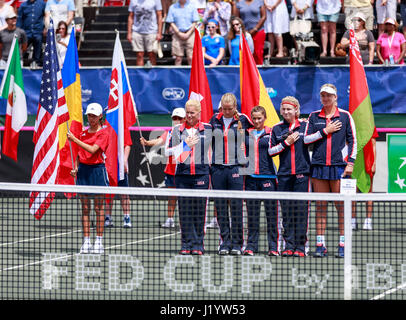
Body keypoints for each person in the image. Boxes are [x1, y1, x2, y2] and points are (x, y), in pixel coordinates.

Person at [304, 83, 357, 258]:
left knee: (341, 207)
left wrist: (350, 163)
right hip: (318, 167)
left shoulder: (345, 116)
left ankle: (343, 244)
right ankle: (320, 244)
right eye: (323, 95)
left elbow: (353, 140)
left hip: (339, 168)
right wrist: (325, 131)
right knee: (320, 206)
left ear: (335, 97)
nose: (326, 98)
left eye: (329, 95)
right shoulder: (313, 117)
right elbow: (306, 140)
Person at [166, 99, 212, 255]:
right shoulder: (177, 129)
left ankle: (198, 244)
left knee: (199, 211)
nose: (190, 115)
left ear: (199, 113)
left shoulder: (208, 129)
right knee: (184, 211)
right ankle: (186, 244)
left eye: (193, 113)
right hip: (182, 176)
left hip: (201, 175)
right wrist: (185, 145)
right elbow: (169, 152)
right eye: (188, 112)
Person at [209, 92, 253, 255]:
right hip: (218, 169)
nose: (226, 112)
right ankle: (224, 242)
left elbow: (257, 136)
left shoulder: (243, 120)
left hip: (236, 168)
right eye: (224, 109)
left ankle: (237, 243)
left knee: (236, 207)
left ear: (235, 107)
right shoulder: (214, 120)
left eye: (229, 109)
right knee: (220, 207)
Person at [269, 96, 311, 257]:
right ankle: (288, 244)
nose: (286, 112)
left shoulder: (306, 126)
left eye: (289, 109)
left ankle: (301, 246)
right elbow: (271, 151)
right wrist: (286, 142)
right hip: (284, 174)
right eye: (284, 109)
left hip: (302, 174)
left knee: (301, 210)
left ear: (296, 110)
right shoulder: (277, 128)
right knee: (286, 212)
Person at [67, 103, 110, 254]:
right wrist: (76, 167)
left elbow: (92, 150)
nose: (91, 118)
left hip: (97, 171)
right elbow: (80, 154)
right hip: (83, 172)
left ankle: (98, 241)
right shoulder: (83, 134)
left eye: (94, 116)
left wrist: (74, 139)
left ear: (100, 117)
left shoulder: (103, 134)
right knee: (85, 208)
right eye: (89, 115)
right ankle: (86, 242)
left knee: (99, 209)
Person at [140, 107, 186, 228]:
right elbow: (159, 141)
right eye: (175, 118)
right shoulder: (169, 132)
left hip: (184, 170)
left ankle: (185, 220)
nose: (177, 121)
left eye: (179, 118)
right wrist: (147, 142)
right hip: (171, 170)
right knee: (172, 196)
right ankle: (170, 219)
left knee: (185, 198)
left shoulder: (189, 132)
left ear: (185, 119)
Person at [243, 106, 278, 256]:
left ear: (265, 118)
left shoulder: (272, 133)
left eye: (259, 118)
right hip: (250, 179)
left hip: (268, 178)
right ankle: (251, 246)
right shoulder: (246, 133)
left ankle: (273, 247)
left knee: (271, 215)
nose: (257, 121)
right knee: (252, 215)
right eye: (254, 118)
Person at [351, 130, 378, 230]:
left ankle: (368, 221)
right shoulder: (350, 121)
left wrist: (374, 163)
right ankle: (353, 220)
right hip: (354, 163)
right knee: (352, 192)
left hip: (367, 162)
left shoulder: (369, 124)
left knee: (368, 192)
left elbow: (374, 144)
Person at [104, 145, 133, 229]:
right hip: (108, 165)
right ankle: (108, 217)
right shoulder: (104, 131)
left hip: (121, 168)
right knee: (108, 193)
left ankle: (127, 217)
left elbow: (127, 146)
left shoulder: (124, 131)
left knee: (124, 194)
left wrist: (124, 161)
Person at [127, 0, 163, 66]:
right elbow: (130, 16)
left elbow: (159, 15)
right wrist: (129, 33)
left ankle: (153, 75)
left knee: (152, 54)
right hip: (137, 31)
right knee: (139, 54)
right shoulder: (133, 1)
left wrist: (159, 32)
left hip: (151, 31)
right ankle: (140, 75)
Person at [166, 0, 200, 65]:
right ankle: (177, 75)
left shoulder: (192, 6)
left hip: (190, 33)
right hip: (177, 34)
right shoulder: (172, 7)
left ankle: (193, 74)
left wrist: (188, 33)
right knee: (178, 58)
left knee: (191, 58)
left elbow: (195, 22)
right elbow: (171, 22)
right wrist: (179, 33)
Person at [233, 0, 266, 65]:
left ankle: (258, 72)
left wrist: (255, 29)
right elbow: (236, 18)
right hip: (244, 32)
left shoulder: (259, 2)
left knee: (257, 53)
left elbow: (264, 16)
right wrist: (243, 30)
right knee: (244, 52)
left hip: (258, 31)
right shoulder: (239, 3)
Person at [16, 0, 46, 68]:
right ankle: (18, 65)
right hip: (26, 32)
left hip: (38, 31)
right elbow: (20, 19)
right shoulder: (23, 5)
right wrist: (18, 31)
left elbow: (46, 16)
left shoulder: (42, 4)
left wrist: (45, 27)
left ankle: (36, 66)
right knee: (21, 51)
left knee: (37, 52)